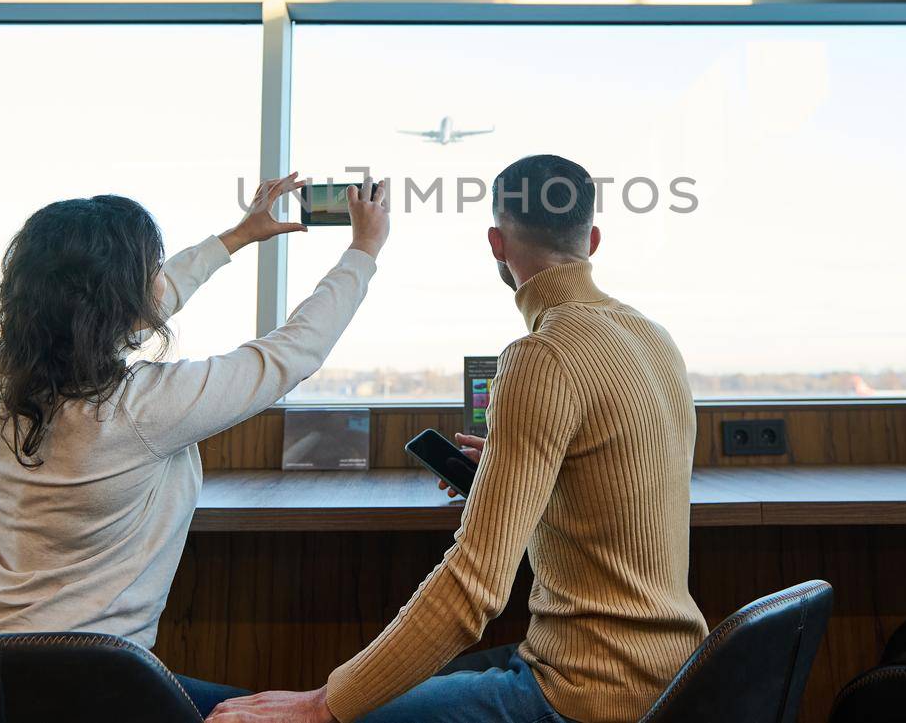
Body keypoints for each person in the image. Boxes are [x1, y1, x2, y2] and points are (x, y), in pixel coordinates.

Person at [208, 155, 707, 723]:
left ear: (496, 244)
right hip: (675, 673)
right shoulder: (655, 338)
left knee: (333, 711)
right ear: (592, 240)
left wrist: (324, 705)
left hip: (584, 692)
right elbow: (614, 488)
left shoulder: (542, 354)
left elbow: (475, 587)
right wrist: (504, 479)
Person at [0, 175, 391, 713]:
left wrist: (236, 237)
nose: (157, 283)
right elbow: (290, 354)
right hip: (84, 686)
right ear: (120, 298)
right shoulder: (139, 409)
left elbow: (140, 305)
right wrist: (363, 249)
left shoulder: (12, 386)